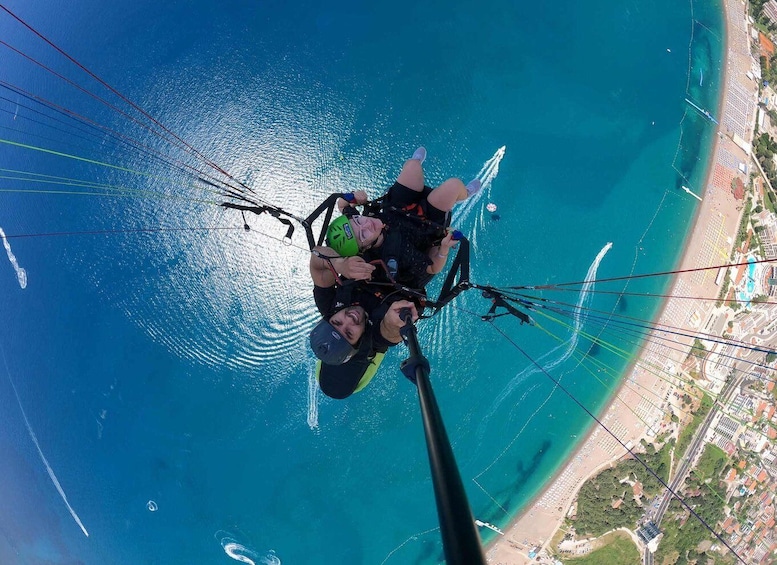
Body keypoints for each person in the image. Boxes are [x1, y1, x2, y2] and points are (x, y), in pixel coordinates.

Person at [324, 147, 481, 288]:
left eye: (358, 221)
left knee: (413, 166)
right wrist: (444, 248)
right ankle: (464, 194)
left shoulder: (357, 225)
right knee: (453, 186)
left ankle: (415, 163)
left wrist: (353, 197)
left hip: (397, 207)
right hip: (426, 222)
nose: (367, 225)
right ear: (365, 248)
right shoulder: (396, 253)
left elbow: (342, 205)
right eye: (363, 235)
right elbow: (432, 268)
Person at [308, 246, 420, 399]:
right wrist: (398, 320)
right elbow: (390, 332)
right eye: (349, 333)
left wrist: (340, 264)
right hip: (413, 259)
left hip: (374, 240)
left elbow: (317, 260)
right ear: (358, 345)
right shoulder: (376, 339)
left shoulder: (328, 306)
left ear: (328, 319)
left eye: (337, 323)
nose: (349, 319)